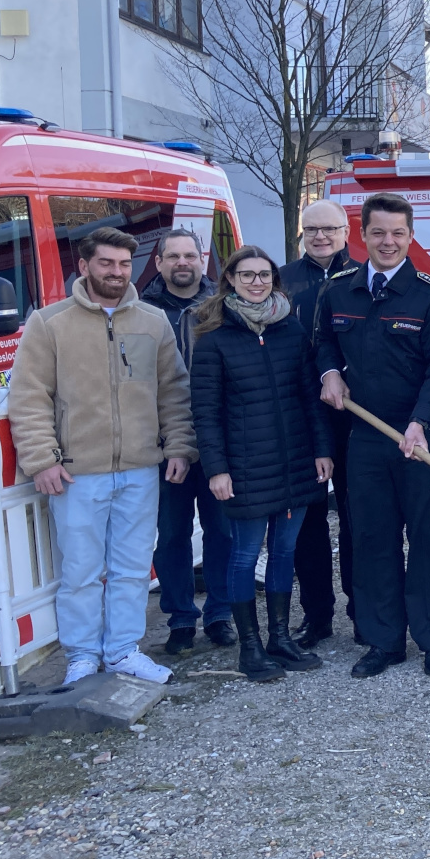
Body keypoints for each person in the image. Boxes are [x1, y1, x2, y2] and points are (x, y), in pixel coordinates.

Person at [8, 227, 192, 685]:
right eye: (106, 263)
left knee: (132, 568)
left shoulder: (153, 322)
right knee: (81, 572)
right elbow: (29, 397)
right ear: (84, 266)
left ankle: (124, 650)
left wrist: (180, 446)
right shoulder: (49, 324)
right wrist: (42, 458)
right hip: (76, 473)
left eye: (124, 264)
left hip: (139, 468)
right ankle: (83, 656)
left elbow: (173, 391)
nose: (116, 272)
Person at [317, 193, 430, 679]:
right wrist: (329, 373)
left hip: (422, 437)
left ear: (411, 236)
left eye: (398, 233)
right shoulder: (339, 290)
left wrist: (420, 421)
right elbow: (323, 342)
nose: (388, 242)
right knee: (373, 538)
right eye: (378, 232)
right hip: (366, 437)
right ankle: (383, 641)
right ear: (361, 234)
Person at [190, 246, 334, 682]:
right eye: (247, 275)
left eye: (264, 275)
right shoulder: (213, 340)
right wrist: (216, 468)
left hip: (294, 463)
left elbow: (311, 397)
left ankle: (279, 637)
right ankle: (249, 648)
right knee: (245, 555)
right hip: (245, 468)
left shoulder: (290, 331)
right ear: (230, 279)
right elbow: (206, 412)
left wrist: (321, 449)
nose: (257, 282)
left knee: (285, 553)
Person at [140, 229, 234, 655]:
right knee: (172, 534)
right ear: (158, 263)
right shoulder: (140, 311)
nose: (182, 263)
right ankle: (180, 619)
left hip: (218, 440)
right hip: (164, 444)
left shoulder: (224, 305)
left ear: (202, 261)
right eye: (172, 256)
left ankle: (219, 614)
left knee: (222, 532)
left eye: (190, 255)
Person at [280, 199, 362, 648]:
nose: (320, 237)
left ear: (346, 231)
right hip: (298, 414)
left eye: (329, 229)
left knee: (355, 515)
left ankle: (360, 605)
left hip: (352, 414)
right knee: (309, 519)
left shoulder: (362, 277)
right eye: (311, 230)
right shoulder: (283, 281)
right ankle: (316, 614)